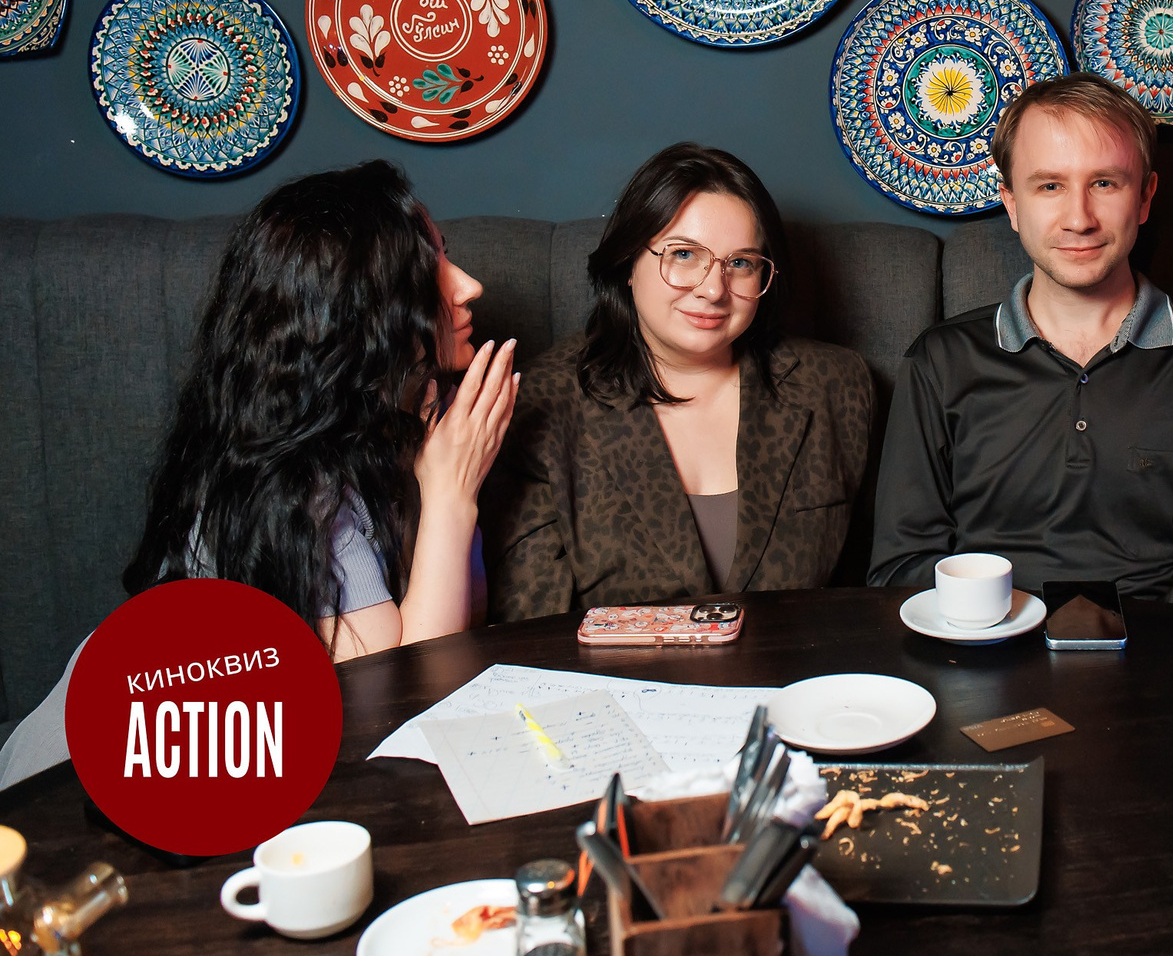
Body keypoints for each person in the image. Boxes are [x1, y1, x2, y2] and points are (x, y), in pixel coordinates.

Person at [1, 161, 516, 789]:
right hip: (84, 780)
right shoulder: (297, 483)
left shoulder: (394, 429)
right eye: (427, 270)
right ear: (358, 309)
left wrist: (452, 483)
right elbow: (397, 699)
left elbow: (458, 627)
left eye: (445, 252)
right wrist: (453, 494)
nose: (468, 286)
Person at [869, 73, 1173, 613]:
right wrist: (1016, 628)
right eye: (1050, 186)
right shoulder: (940, 362)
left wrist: (1105, 637)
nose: (1079, 219)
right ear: (1011, 203)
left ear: (1145, 197)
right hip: (986, 644)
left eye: (1104, 183)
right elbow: (900, 570)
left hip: (1162, 651)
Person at [483, 144, 872, 618]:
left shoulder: (835, 383)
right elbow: (532, 633)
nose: (713, 289)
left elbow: (863, 601)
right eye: (684, 254)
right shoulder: (540, 403)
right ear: (628, 261)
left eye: (741, 263)